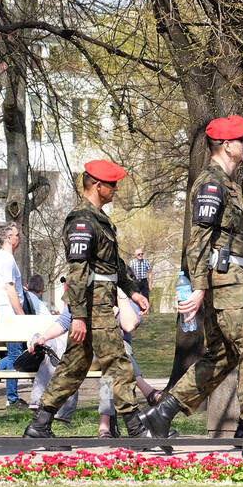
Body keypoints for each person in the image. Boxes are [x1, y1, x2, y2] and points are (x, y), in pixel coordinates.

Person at [140, 117, 243, 454]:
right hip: (221, 282)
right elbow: (198, 240)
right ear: (226, 145)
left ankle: (162, 414)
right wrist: (198, 288)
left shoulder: (228, 184)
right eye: (241, 140)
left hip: (232, 280)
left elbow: (235, 245)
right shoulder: (211, 183)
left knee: (222, 356)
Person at [24, 158, 154, 439]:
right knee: (118, 363)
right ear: (96, 185)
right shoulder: (82, 221)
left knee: (73, 366)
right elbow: (78, 272)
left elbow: (114, 265)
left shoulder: (98, 218)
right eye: (112, 184)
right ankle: (136, 428)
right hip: (94, 306)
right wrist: (79, 317)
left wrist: (133, 291)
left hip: (99, 303)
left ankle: (39, 424)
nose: (116, 188)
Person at [29, 293, 157, 437]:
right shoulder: (85, 291)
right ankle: (145, 401)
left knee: (113, 359)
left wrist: (121, 298)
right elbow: (64, 321)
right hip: (86, 353)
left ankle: (108, 425)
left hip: (113, 351)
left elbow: (129, 325)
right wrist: (44, 337)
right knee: (113, 358)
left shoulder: (126, 295)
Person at [0, 222, 27, 408]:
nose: (19, 238)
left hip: (0, 310)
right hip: (9, 313)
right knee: (15, 356)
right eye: (17, 235)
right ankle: (12, 399)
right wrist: (21, 315)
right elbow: (9, 288)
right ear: (9, 238)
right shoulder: (7, 259)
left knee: (12, 355)